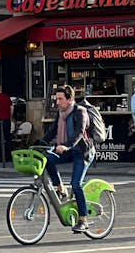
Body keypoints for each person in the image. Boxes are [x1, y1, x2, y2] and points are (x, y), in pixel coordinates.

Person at [41, 85, 95, 235]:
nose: (57, 102)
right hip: (69, 150)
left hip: (83, 152)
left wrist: (66, 145)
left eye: (60, 99)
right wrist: (39, 144)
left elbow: (79, 133)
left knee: (76, 184)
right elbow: (52, 131)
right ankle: (61, 190)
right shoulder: (61, 113)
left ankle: (83, 220)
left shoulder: (80, 112)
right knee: (48, 160)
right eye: (56, 99)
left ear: (70, 99)